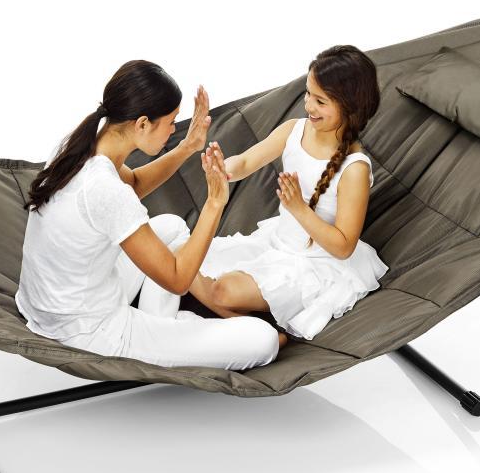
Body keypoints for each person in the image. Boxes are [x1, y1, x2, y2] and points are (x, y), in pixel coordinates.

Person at [15, 60, 282, 370]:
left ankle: (157, 320)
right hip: (89, 332)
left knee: (172, 226)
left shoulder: (79, 145)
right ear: (142, 124)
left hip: (50, 305)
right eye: (171, 122)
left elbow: (134, 184)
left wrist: (187, 147)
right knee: (264, 340)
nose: (173, 130)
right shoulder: (104, 189)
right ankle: (161, 330)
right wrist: (214, 203)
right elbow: (178, 280)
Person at [189, 45, 388, 341]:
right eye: (308, 94)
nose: (308, 106)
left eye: (320, 101)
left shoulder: (354, 168)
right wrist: (223, 170)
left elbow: (343, 246)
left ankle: (263, 336)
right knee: (184, 258)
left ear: (349, 107)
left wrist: (299, 209)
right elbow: (246, 161)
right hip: (275, 244)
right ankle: (256, 330)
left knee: (220, 290)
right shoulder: (295, 129)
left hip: (312, 265)